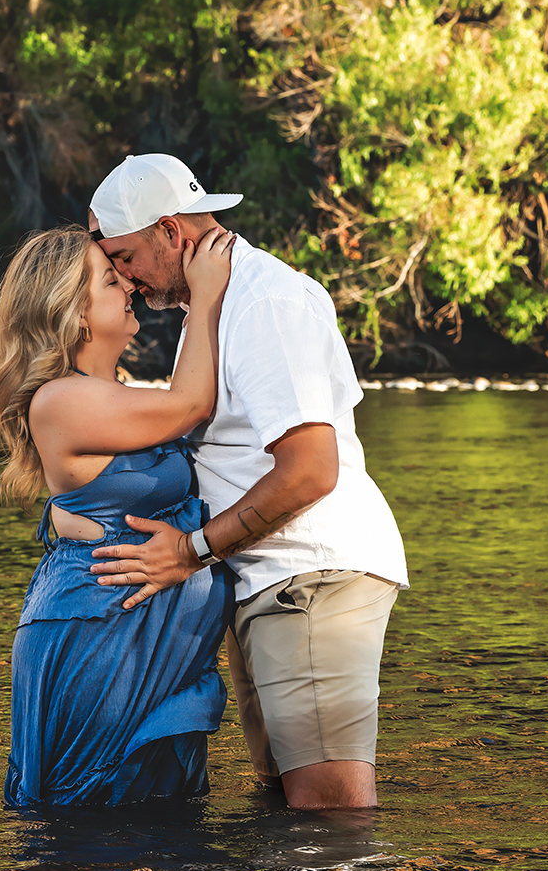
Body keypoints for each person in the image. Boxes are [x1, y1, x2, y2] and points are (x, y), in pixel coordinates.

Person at [85, 154, 409, 810]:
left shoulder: (265, 301)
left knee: (329, 812)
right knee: (286, 803)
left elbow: (311, 468)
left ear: (170, 231)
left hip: (308, 576)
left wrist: (191, 550)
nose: (126, 280)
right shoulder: (217, 304)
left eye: (126, 258)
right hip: (268, 576)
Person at [0, 221, 238, 807]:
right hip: (100, 628)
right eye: (108, 278)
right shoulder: (59, 400)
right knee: (96, 825)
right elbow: (192, 403)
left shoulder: (116, 395)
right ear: (76, 313)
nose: (128, 283)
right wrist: (204, 296)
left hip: (142, 634)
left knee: (156, 828)